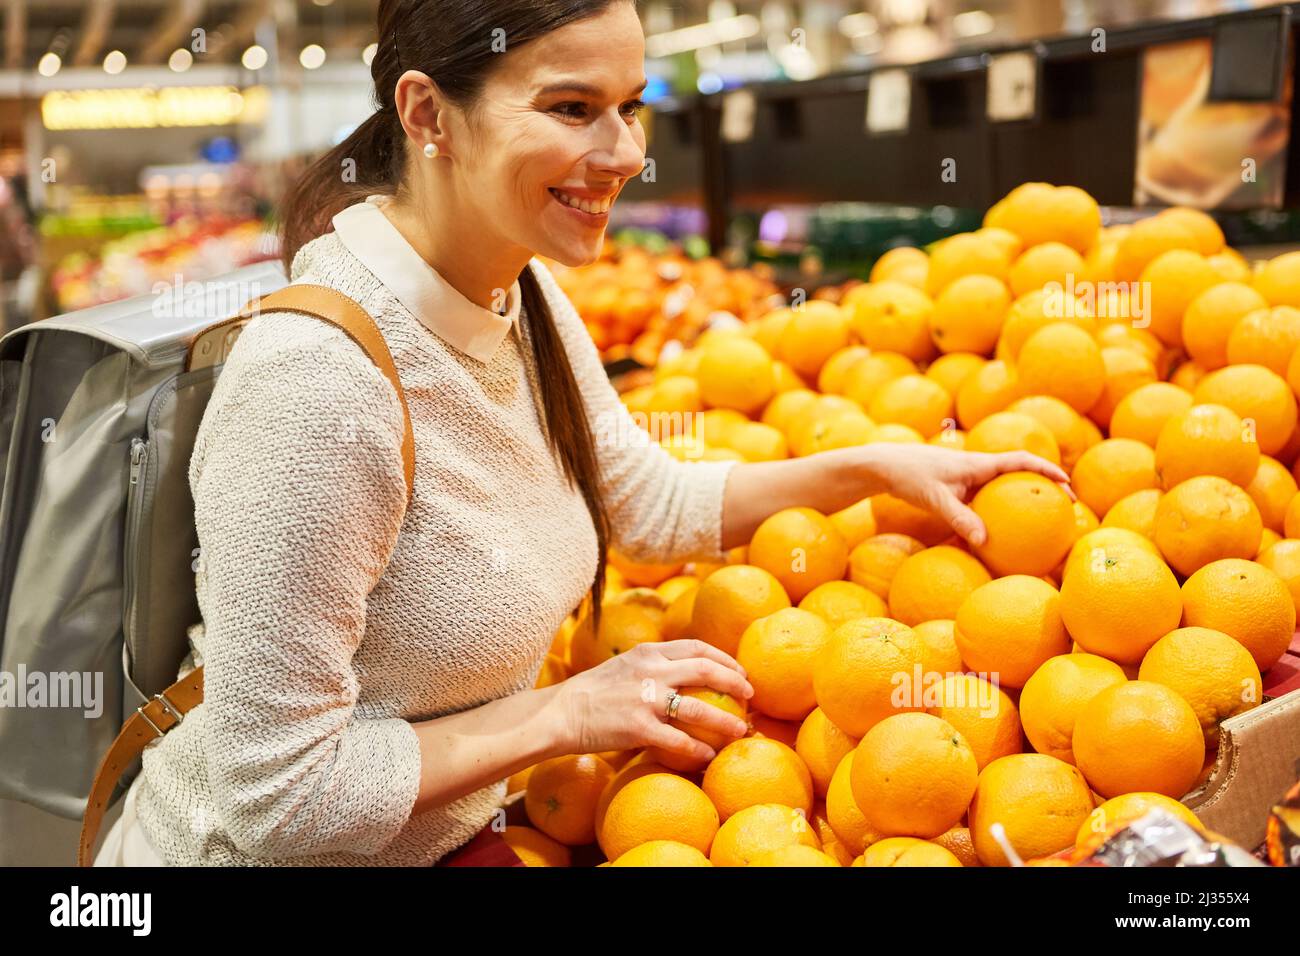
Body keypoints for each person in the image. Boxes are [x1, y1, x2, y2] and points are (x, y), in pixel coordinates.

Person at [95, 0, 1069, 866]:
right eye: (572, 109)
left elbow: (645, 505)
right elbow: (279, 798)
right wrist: (564, 710)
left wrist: (873, 468)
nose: (626, 152)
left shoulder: (522, 290)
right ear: (427, 113)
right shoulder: (319, 383)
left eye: (630, 105)